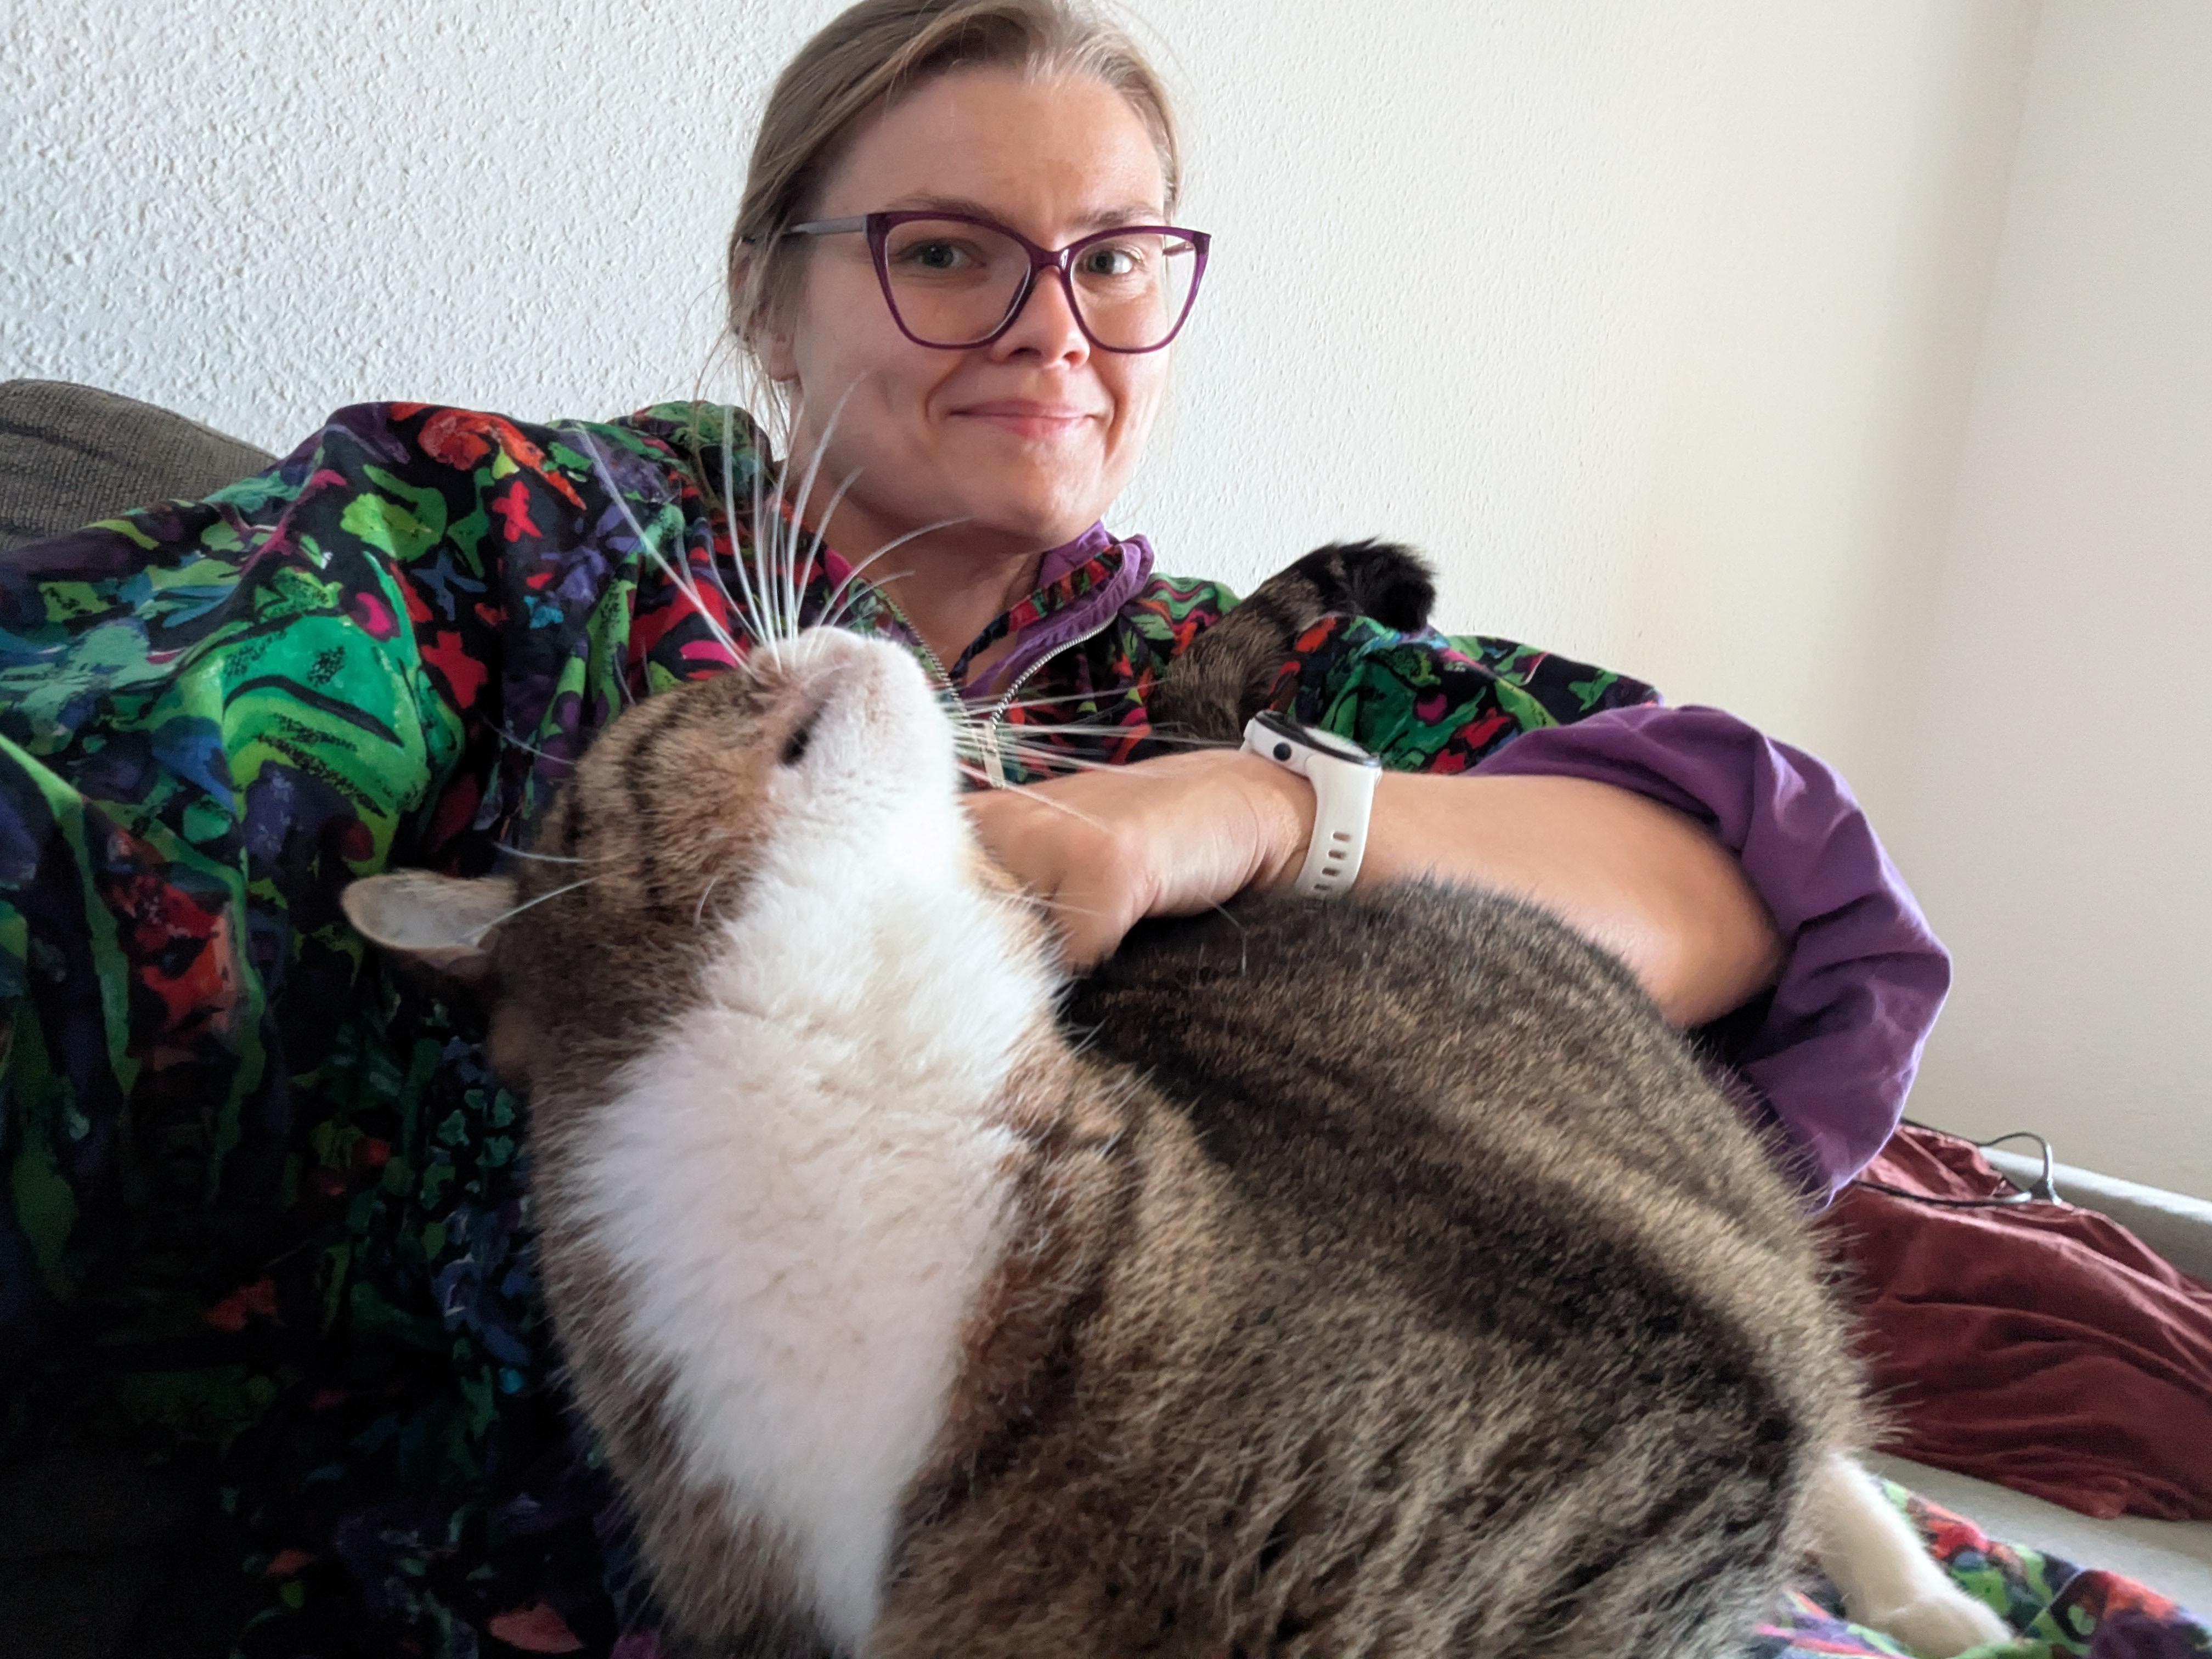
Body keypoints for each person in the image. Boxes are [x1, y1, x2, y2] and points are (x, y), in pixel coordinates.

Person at [0, 1, 1948, 1651]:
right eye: (947, 253)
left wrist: (1236, 809)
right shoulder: (504, 536)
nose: (1053, 329)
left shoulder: (1249, 672)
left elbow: (1748, 880)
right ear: (767, 297)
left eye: (1117, 259)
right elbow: (113, 806)